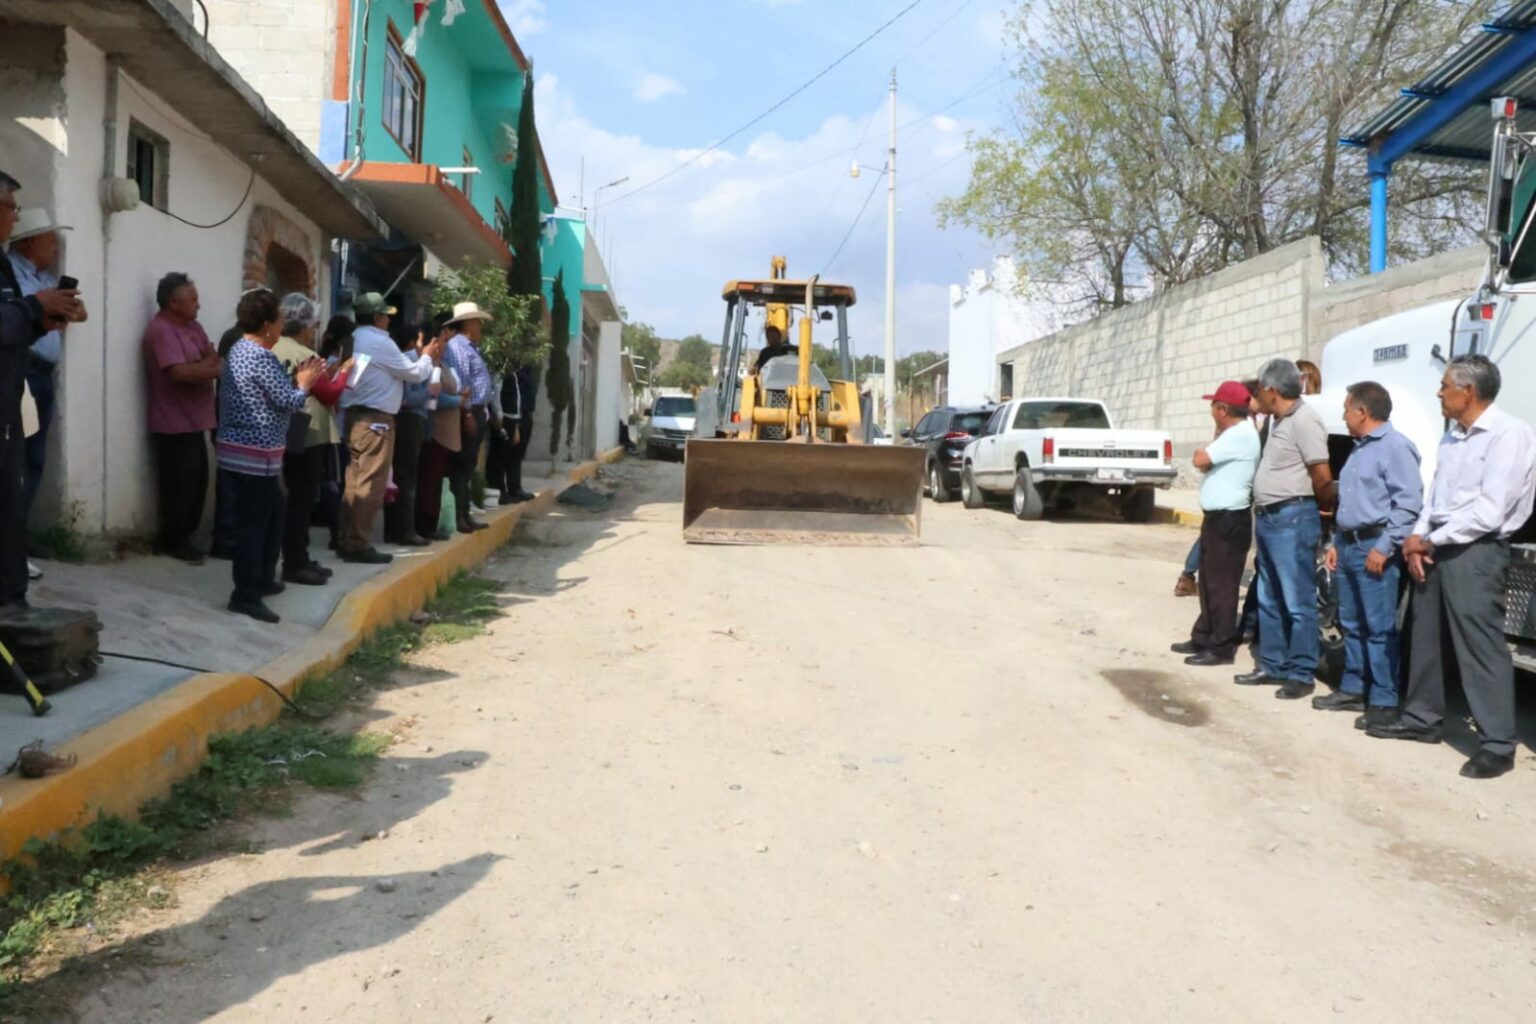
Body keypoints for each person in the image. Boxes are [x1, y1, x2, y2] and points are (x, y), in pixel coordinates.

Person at [1368, 355, 1536, 779]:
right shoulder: (1452, 438)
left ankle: (1498, 744)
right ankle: (1422, 720)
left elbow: (1490, 511)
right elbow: (1435, 501)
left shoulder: (1508, 434)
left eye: (1444, 386)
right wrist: (1416, 541)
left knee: (1479, 646)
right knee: (1425, 638)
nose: (1439, 393)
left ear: (1469, 392)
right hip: (1436, 546)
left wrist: (1427, 540)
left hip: (1476, 551)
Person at [0, 169, 85, 613]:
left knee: (14, 488)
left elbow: (16, 323)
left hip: (14, 391)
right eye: (10, 207)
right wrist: (35, 308)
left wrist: (46, 318)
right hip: (15, 384)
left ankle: (11, 594)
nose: (14, 217)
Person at [215, 289, 326, 622]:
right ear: (267, 325)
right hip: (253, 453)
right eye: (278, 320)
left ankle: (262, 578)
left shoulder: (241, 348)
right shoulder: (259, 355)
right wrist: (305, 383)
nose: (282, 325)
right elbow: (289, 401)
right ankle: (245, 593)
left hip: (246, 450)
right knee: (254, 524)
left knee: (274, 511)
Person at [1316, 382, 1421, 726]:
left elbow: (1407, 505)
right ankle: (1353, 688)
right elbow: (1350, 502)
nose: (1343, 416)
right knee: (1352, 623)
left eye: (1346, 409)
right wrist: (1335, 544)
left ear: (1362, 412)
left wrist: (1384, 546)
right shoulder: (1359, 448)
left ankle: (1383, 699)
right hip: (1348, 544)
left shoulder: (1395, 448)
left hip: (1374, 547)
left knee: (1378, 628)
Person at [1235, 358, 1334, 699]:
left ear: (1272, 391)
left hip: (1292, 518)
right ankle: (1272, 664)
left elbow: (1321, 475)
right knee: (1269, 596)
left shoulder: (1305, 420)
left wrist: (1323, 510)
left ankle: (1301, 672)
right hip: (1269, 519)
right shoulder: (1277, 421)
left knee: (1297, 600)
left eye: (1259, 390)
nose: (1256, 397)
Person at [337, 293, 443, 563]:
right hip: (375, 421)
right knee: (370, 484)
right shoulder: (379, 342)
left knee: (354, 481)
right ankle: (358, 543)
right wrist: (428, 356)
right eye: (385, 314)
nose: (388, 319)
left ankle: (347, 538)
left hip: (356, 416)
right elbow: (415, 373)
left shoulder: (354, 339)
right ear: (376, 317)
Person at [1172, 382, 1260, 667]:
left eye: (1214, 406)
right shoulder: (1233, 434)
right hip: (1218, 518)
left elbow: (1201, 458)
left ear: (1222, 410)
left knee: (1222, 585)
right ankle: (1203, 635)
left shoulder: (1239, 434)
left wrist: (1207, 451)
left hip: (1229, 519)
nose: (1211, 410)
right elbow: (1206, 462)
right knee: (1209, 582)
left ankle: (1221, 646)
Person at [7, 207, 70, 579]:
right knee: (13, 463)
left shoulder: (44, 277)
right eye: (50, 239)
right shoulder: (11, 273)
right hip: (21, 374)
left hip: (43, 376)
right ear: (30, 241)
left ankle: (16, 543)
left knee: (32, 462)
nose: (55, 247)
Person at [273, 294, 353, 585]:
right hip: (308, 431)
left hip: (284, 428)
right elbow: (329, 393)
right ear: (304, 324)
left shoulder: (273, 347)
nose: (315, 327)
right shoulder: (302, 354)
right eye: (313, 322)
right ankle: (295, 561)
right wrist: (344, 374)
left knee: (291, 497)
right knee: (301, 500)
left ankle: (299, 557)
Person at [143, 272, 221, 564]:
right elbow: (179, 372)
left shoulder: (192, 327)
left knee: (197, 484)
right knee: (179, 487)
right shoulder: (162, 330)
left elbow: (212, 355)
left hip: (196, 419)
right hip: (172, 422)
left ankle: (185, 537)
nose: (198, 305)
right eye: (193, 300)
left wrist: (201, 366)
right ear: (173, 304)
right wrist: (209, 369)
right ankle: (174, 541)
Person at [442, 302, 494, 533]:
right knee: (461, 466)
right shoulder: (459, 348)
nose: (481, 327)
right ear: (469, 324)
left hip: (477, 411)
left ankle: (465, 514)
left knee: (469, 465)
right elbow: (461, 383)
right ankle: (460, 517)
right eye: (478, 322)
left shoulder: (471, 347)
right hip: (468, 413)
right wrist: (468, 414)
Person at [416, 317, 464, 542]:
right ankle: (425, 525)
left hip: (445, 433)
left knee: (435, 480)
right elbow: (432, 400)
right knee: (429, 480)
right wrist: (457, 402)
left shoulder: (442, 364)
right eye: (444, 340)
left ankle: (431, 523)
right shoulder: (429, 365)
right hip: (433, 431)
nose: (446, 345)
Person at [385, 325, 433, 547]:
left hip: (415, 421)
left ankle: (396, 529)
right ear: (415, 341)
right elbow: (406, 399)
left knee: (403, 476)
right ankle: (404, 530)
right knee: (406, 477)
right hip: (408, 421)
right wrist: (430, 393)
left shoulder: (415, 361)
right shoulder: (410, 361)